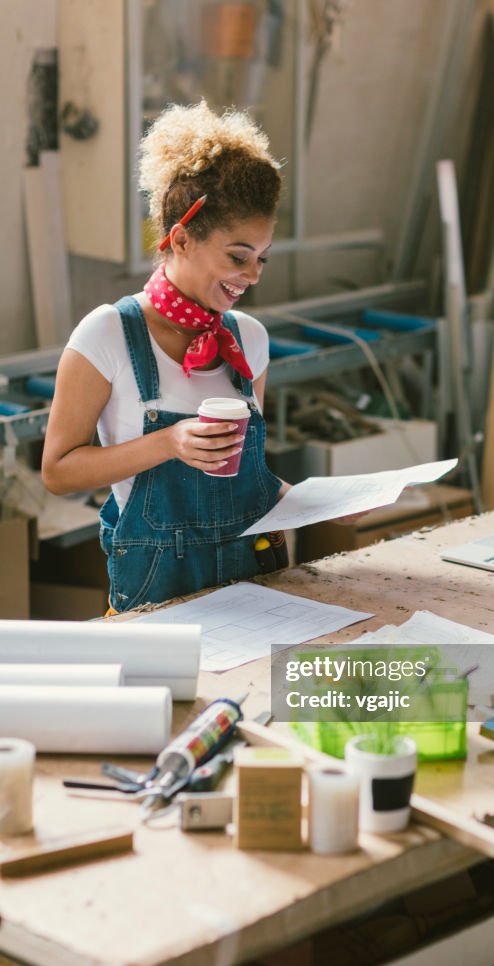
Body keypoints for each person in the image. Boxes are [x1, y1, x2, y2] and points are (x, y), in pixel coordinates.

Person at [42, 101, 290, 612]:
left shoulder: (250, 339)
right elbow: (58, 471)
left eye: (262, 258)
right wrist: (170, 442)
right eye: (238, 256)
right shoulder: (107, 334)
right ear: (181, 239)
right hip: (157, 596)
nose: (254, 275)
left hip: (255, 584)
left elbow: (248, 477)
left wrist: (319, 502)